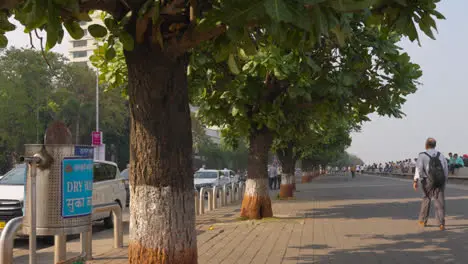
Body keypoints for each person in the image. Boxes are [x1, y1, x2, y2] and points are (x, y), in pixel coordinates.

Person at [413, 138, 448, 231]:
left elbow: (419, 169)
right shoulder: (441, 155)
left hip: (427, 180)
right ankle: (441, 223)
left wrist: (416, 180)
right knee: (439, 201)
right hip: (439, 181)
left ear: (426, 145)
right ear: (435, 145)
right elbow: (445, 169)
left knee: (426, 198)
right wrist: (444, 180)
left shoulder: (422, 155)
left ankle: (423, 221)